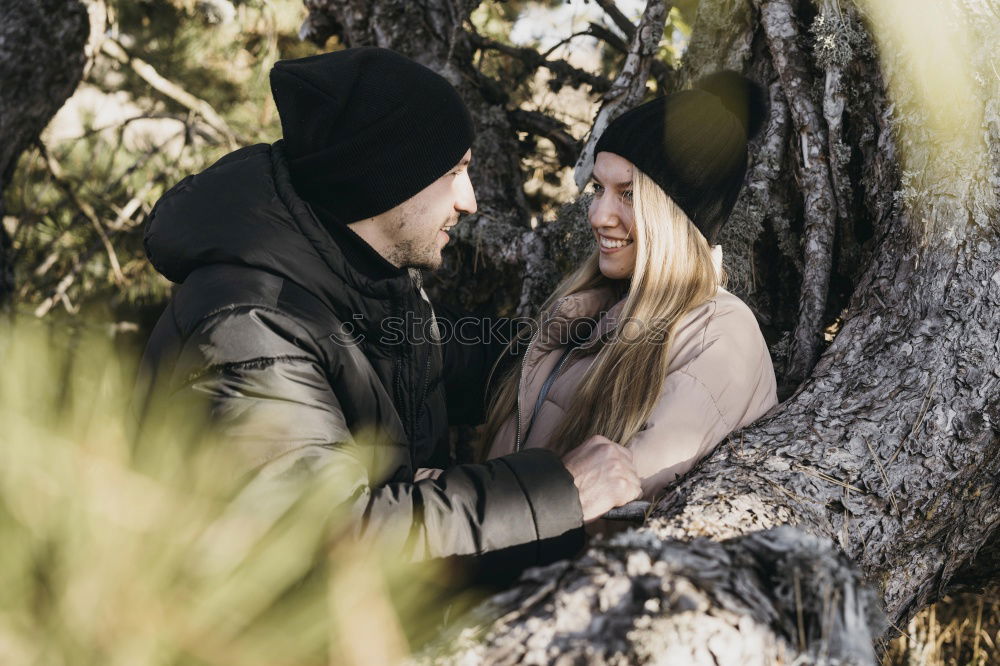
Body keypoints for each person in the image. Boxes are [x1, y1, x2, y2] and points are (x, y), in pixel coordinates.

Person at [134, 47, 640, 571]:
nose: (469, 201)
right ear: (386, 177)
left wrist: (594, 334)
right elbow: (327, 542)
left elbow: (461, 358)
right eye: (455, 171)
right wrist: (561, 494)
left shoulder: (357, 280)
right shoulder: (252, 325)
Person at [481, 71, 779, 501]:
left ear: (680, 215)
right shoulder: (592, 307)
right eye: (599, 189)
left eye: (630, 194)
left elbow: (617, 508)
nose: (599, 215)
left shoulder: (716, 333)